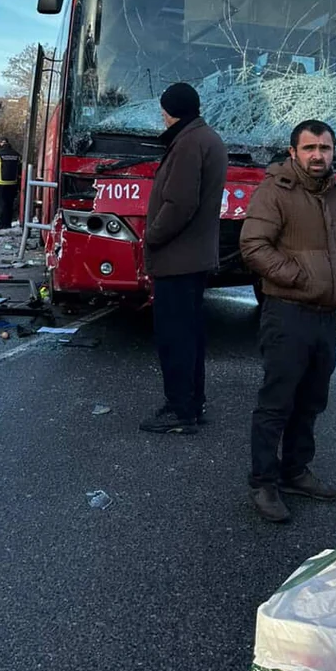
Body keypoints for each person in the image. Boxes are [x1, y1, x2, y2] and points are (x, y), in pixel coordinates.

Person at [240, 120, 336, 522]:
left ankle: (295, 470)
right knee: (277, 402)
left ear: (333, 151)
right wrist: (300, 278)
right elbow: (253, 246)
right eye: (309, 148)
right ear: (293, 152)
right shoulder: (274, 191)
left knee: (311, 400)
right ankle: (264, 481)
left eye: (324, 148)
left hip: (327, 317)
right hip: (287, 313)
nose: (317, 155)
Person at [140, 83, 227, 435]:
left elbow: (179, 204)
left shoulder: (188, 143)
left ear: (171, 110)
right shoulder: (206, 138)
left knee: (175, 337)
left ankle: (180, 409)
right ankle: (192, 403)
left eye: (163, 110)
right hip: (194, 258)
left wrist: (152, 235)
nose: (162, 116)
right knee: (190, 336)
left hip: (178, 258)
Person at [0, 137, 21, 230]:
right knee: (10, 204)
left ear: (1, 143)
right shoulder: (16, 154)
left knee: (2, 204)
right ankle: (8, 223)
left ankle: (1, 224)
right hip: (13, 183)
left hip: (1, 183)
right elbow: (20, 166)